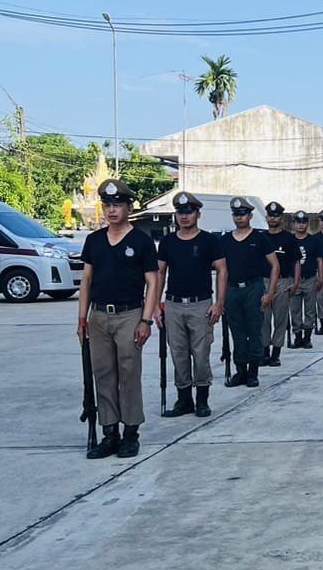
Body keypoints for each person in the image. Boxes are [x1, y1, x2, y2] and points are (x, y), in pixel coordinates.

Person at [77, 179, 162, 459]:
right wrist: (82, 318)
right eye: (107, 205)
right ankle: (109, 432)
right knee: (103, 374)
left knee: (128, 374)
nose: (112, 210)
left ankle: (130, 433)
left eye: (118, 205)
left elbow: (153, 282)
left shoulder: (141, 241)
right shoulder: (94, 241)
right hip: (99, 315)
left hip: (130, 315)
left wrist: (146, 321)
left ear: (129, 208)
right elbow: (86, 280)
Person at [155, 191, 226, 419]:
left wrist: (219, 303)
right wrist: (155, 304)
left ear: (198, 214)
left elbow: (222, 270)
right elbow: (160, 273)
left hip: (200, 304)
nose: (184, 216)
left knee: (201, 354)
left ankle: (202, 400)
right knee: (178, 354)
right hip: (174, 305)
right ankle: (184, 399)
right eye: (180, 212)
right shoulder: (167, 242)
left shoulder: (209, 240)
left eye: (189, 212)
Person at [220, 197, 279, 389]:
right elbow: (222, 271)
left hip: (254, 288)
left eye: (243, 214)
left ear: (250, 216)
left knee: (254, 331)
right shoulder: (225, 240)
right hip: (233, 290)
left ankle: (253, 372)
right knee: (237, 332)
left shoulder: (260, 238)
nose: (239, 217)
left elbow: (275, 265)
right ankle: (240, 371)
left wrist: (270, 292)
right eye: (236, 214)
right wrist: (220, 298)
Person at [260, 201, 295, 366]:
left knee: (280, 319)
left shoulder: (289, 238)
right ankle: (264, 352)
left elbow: (296, 261)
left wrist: (295, 282)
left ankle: (276, 354)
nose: (272, 219)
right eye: (270, 216)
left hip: (282, 282)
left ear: (281, 218)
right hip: (264, 281)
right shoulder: (261, 237)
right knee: (264, 319)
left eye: (276, 216)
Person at [288, 210, 319, 349]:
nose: (301, 225)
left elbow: (319, 259)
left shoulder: (313, 240)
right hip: (293, 280)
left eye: (304, 222)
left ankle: (307, 338)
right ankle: (298, 337)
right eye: (298, 222)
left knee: (310, 310)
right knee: (295, 310)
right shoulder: (289, 240)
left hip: (309, 278)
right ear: (293, 224)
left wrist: (321, 277)